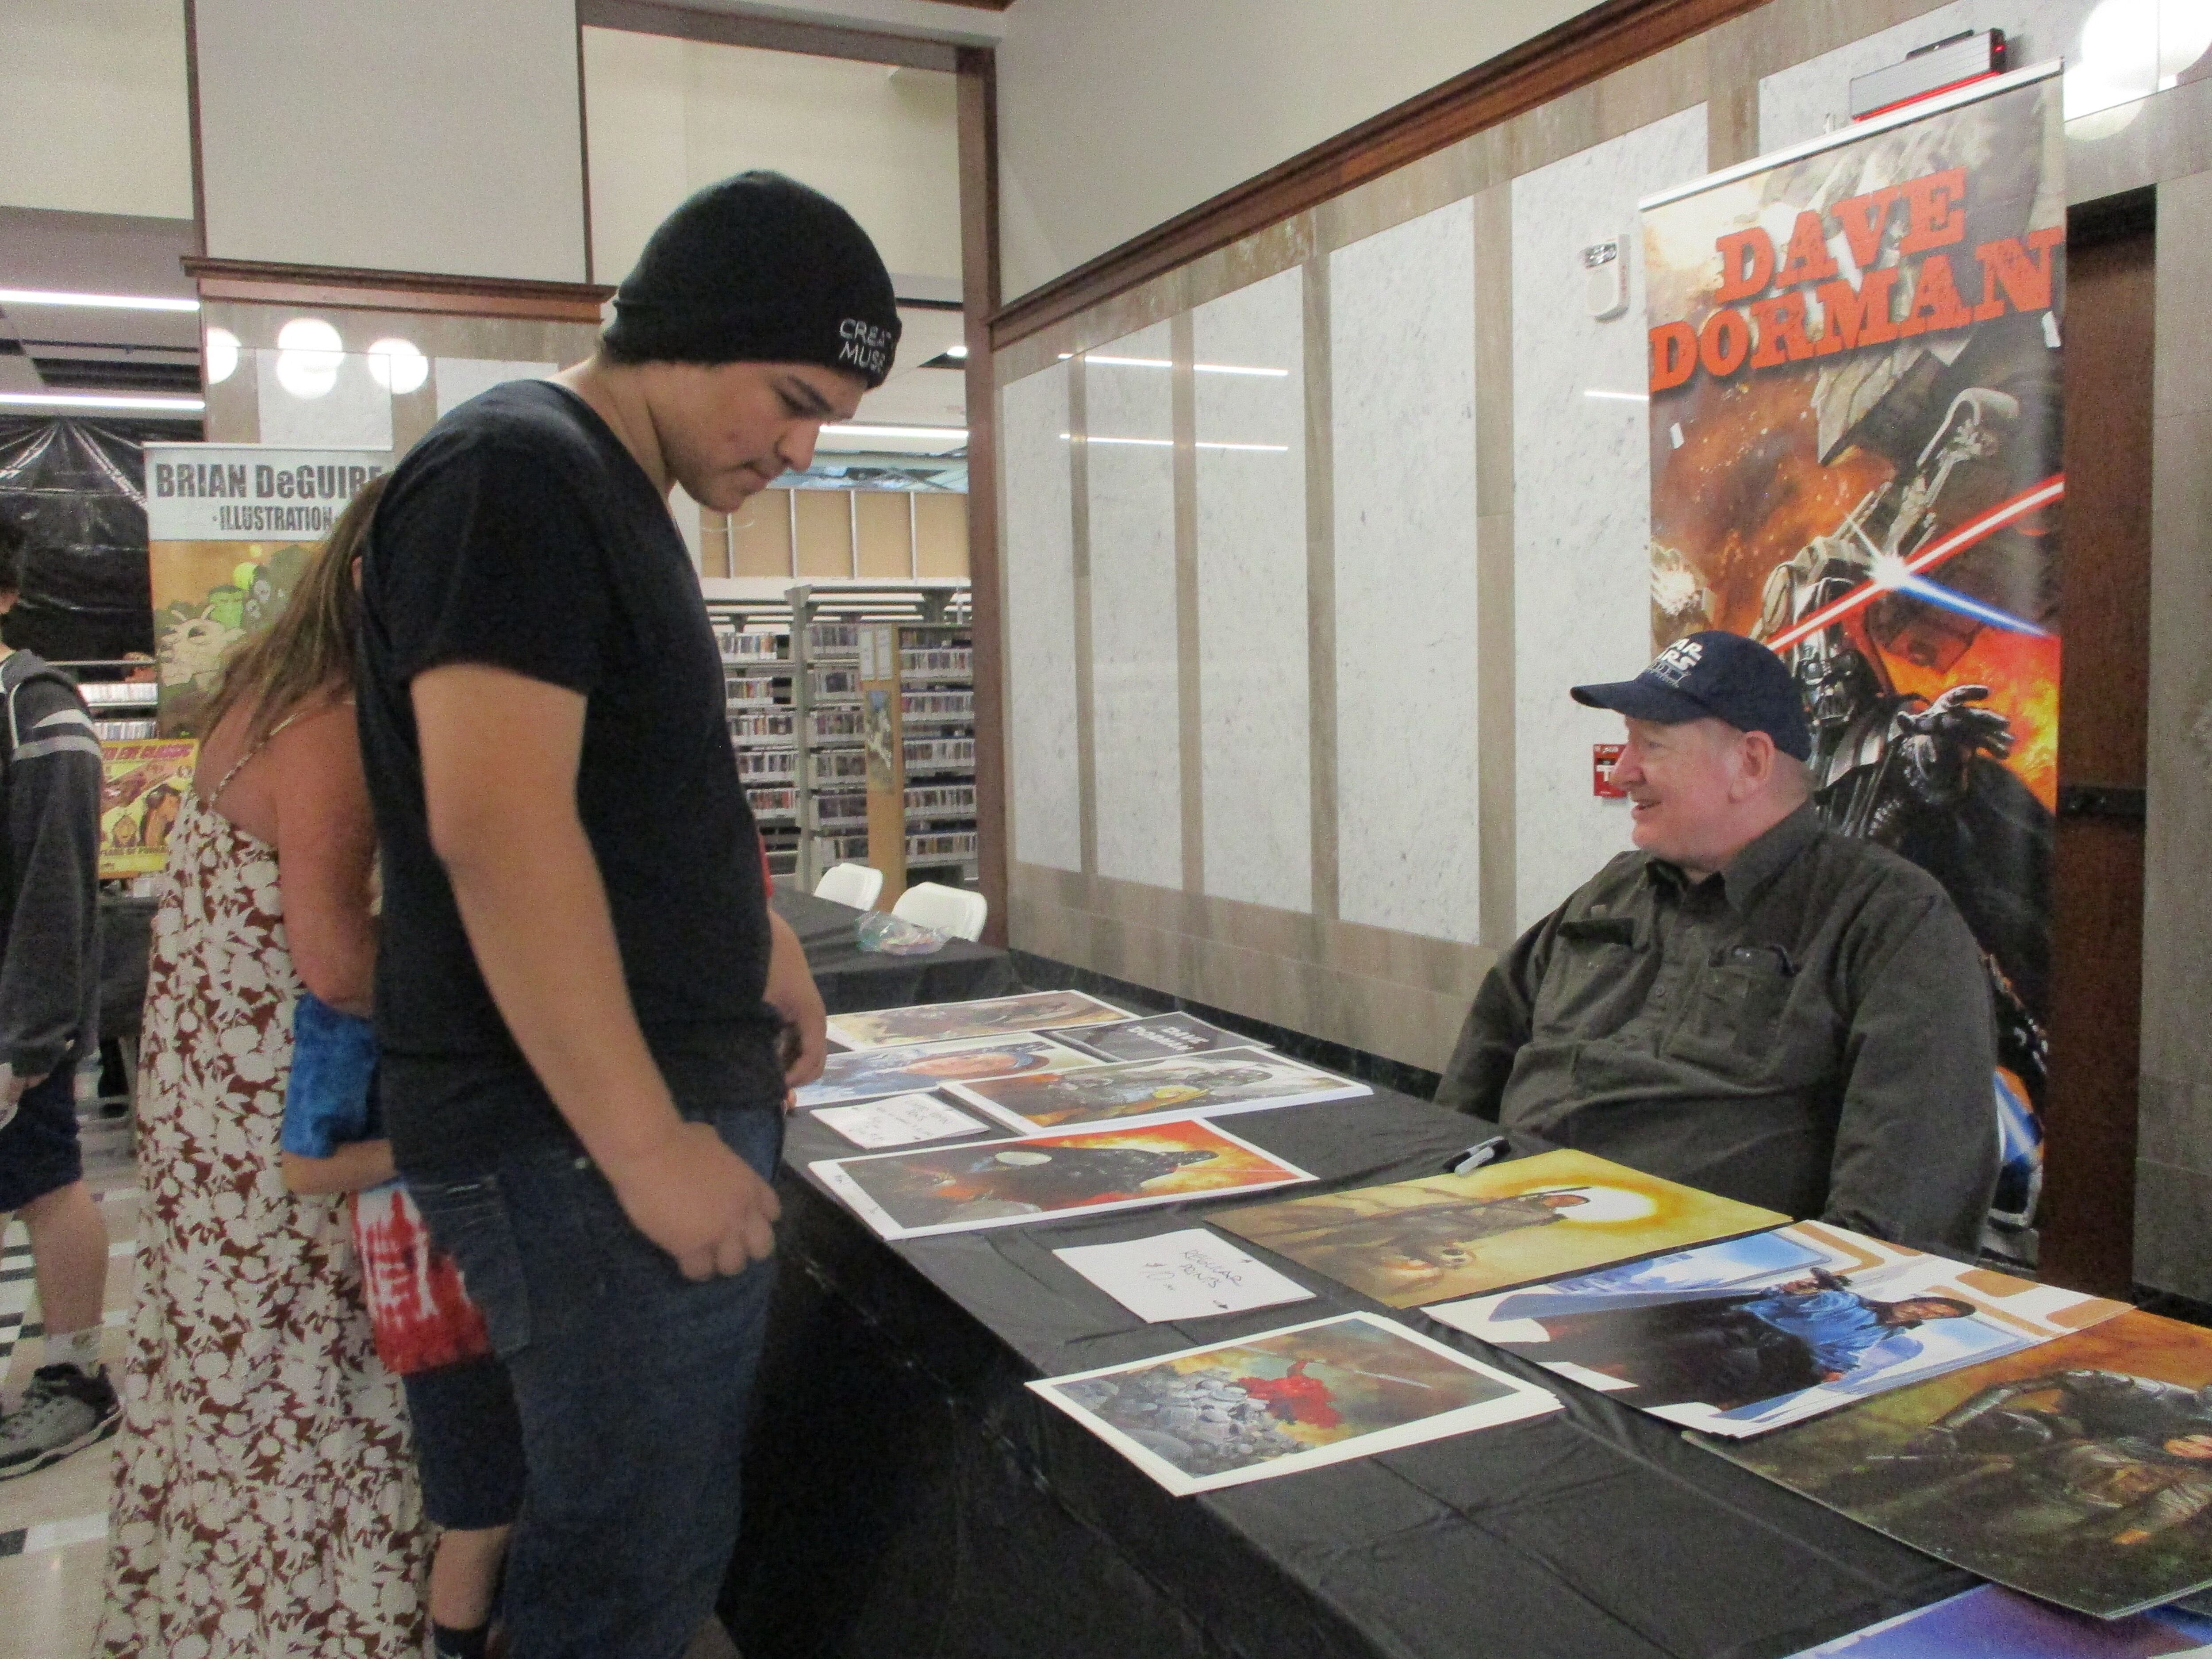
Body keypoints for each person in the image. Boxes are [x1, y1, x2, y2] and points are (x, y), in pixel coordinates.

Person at [356, 171, 872, 1657]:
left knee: (642, 1537)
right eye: (788, 397)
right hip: (571, 1144)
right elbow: (500, 828)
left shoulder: (595, 488)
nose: (799, 444)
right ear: (687, 333)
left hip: (596, 1127)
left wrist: (752, 932)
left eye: (826, 413)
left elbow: (616, 799)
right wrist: (644, 1143)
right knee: (625, 1562)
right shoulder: (520, 474)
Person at [98, 478, 434, 1656]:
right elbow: (339, 962)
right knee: (320, 1397)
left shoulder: (266, 687)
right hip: (281, 1127)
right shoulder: (342, 723)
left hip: (207, 1118)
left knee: (224, 1397)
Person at [1436, 630, 1999, 1255]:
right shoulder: (1614, 889)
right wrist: (1433, 1195)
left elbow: (1903, 1215)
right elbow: (1484, 1053)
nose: (1623, 770)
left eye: (1652, 744)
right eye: (1628, 741)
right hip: (1492, 1236)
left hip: (1683, 1288)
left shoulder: (1890, 922)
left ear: (1752, 763)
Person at [280, 990, 520, 1659]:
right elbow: (305, 1167)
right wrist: (445, 1142)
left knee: (531, 1504)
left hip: (535, 1274)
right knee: (482, 1514)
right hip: (438, 1300)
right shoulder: (349, 1005)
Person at [0, 511, 112, 1479]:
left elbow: (56, 878)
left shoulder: (34, 706)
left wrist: (27, 1039)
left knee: (45, 1180)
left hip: (11, 1013)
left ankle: (75, 1374)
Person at [1526, 1271, 1978, 1409]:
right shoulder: (1848, 1303)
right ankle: (1539, 1358)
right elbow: (1776, 1301)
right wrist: (1796, 1292)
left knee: (1699, 1389)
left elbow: (1836, 1358)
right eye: (1929, 1305)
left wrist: (1833, 1372)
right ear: (1916, 1299)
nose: (1925, 1312)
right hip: (1737, 1327)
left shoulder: (1873, 1334)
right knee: (1631, 1348)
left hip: (1764, 1354)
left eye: (1937, 1315)